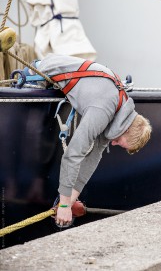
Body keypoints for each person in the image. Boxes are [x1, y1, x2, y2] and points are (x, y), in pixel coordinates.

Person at [36, 53, 152, 227]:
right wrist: (66, 205)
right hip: (41, 71)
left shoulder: (120, 112)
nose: (113, 143)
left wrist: (66, 201)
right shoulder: (102, 111)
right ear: (125, 128)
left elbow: (91, 159)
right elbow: (73, 155)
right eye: (119, 141)